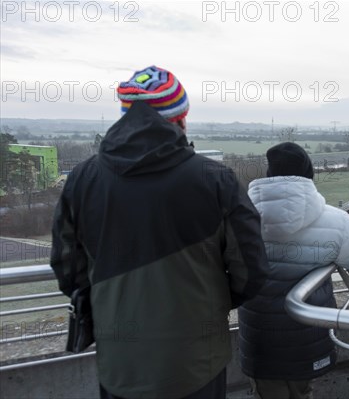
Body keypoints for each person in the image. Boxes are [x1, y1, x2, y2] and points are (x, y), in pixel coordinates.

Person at [50, 65, 270, 399]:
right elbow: (251, 271)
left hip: (120, 362)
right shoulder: (215, 180)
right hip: (196, 364)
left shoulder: (82, 179)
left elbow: (68, 269)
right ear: (179, 120)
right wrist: (208, 301)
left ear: (124, 117)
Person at [238, 142, 349, 399]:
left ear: (268, 175)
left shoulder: (240, 218)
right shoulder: (335, 220)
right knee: (304, 391)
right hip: (309, 333)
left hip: (260, 339)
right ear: (308, 174)